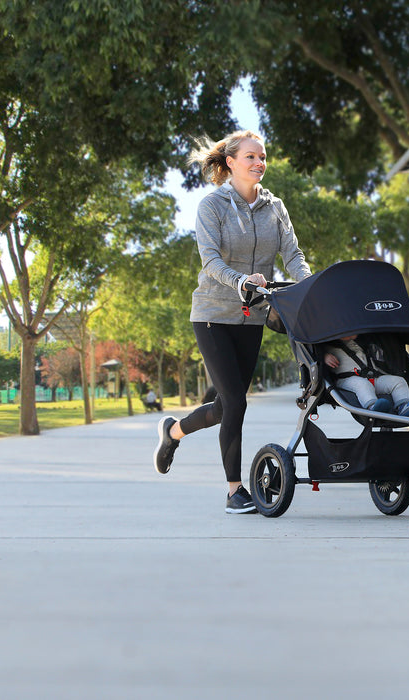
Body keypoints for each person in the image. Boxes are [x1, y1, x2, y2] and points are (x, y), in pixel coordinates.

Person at [153, 130, 311, 514]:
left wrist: (311, 286)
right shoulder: (212, 206)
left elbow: (292, 254)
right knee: (236, 402)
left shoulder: (275, 207)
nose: (259, 163)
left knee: (227, 406)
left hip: (251, 317)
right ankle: (234, 491)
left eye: (263, 157)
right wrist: (240, 281)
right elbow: (210, 259)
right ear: (231, 163)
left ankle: (173, 432)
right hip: (212, 314)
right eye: (251, 157)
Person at [323, 334, 409, 418]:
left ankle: (404, 406)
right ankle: (372, 406)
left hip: (373, 377)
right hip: (346, 380)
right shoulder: (328, 346)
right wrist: (325, 357)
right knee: (362, 384)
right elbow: (318, 354)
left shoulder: (361, 343)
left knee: (398, 381)